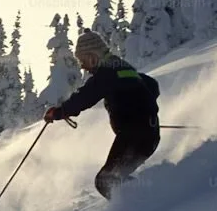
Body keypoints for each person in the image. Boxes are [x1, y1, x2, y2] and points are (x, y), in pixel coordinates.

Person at [43, 29, 161, 200]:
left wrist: (59, 112)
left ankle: (148, 207)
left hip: (135, 136)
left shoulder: (107, 72)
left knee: (106, 180)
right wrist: (143, 111)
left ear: (93, 56)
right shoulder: (120, 66)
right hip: (146, 134)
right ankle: (153, 200)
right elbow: (151, 85)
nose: (83, 66)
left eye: (83, 60)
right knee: (113, 178)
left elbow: (85, 96)